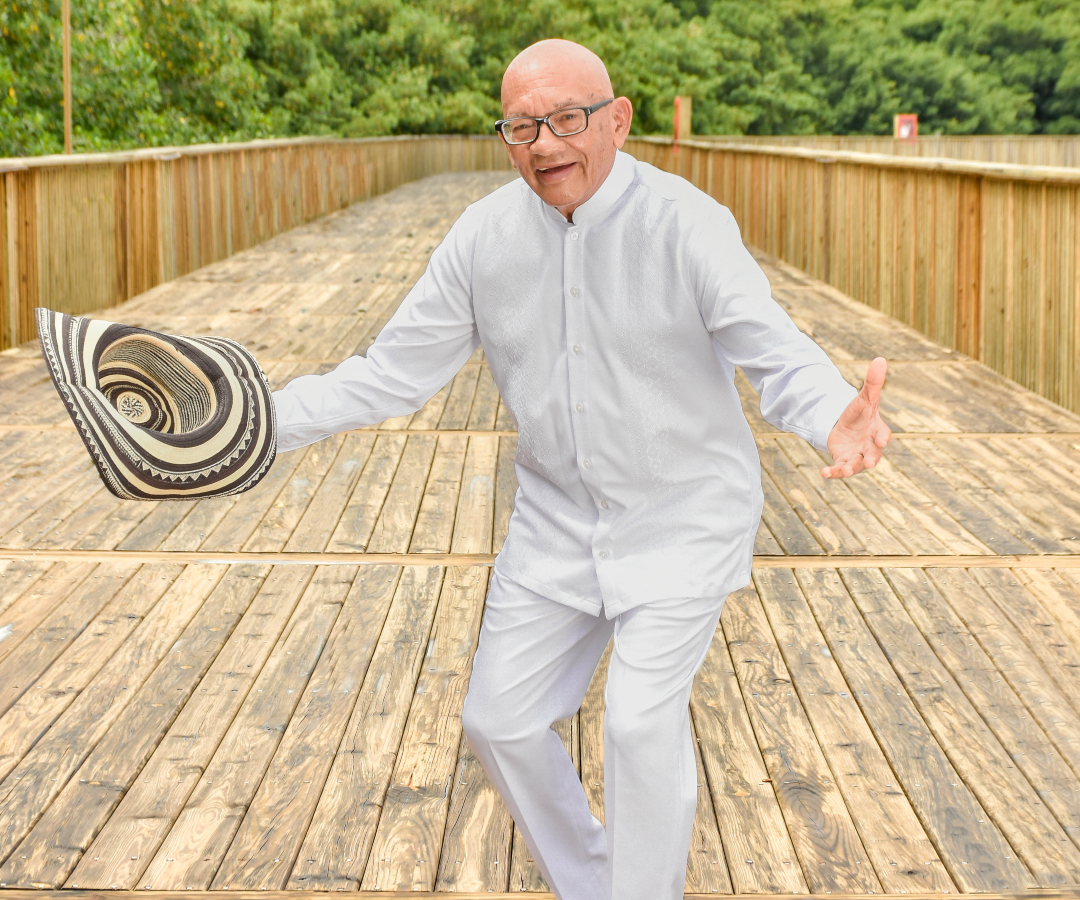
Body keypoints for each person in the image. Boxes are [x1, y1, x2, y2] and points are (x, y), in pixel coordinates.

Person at [272, 38, 890, 900]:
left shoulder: (687, 223)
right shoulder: (483, 237)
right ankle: (600, 882)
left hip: (685, 519)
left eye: (566, 119)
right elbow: (391, 372)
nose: (544, 144)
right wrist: (263, 423)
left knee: (639, 725)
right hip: (557, 524)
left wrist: (833, 415)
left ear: (617, 121)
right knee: (500, 721)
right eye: (521, 127)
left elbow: (771, 347)